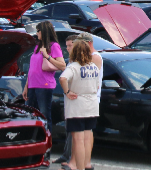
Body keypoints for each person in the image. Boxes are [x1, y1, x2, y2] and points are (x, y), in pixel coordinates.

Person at [55, 33, 103, 165]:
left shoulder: (74, 66)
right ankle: (87, 163)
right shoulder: (93, 66)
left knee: (78, 140)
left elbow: (63, 78)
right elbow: (97, 84)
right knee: (88, 136)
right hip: (92, 104)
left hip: (78, 105)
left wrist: (67, 92)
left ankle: (79, 167)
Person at [23, 22, 66, 136]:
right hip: (32, 84)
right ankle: (32, 138)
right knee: (29, 113)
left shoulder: (53, 46)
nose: (37, 34)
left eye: (38, 31)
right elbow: (32, 68)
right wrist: (26, 86)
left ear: (44, 31)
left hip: (44, 84)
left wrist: (48, 56)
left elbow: (62, 65)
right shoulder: (38, 46)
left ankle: (47, 139)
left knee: (44, 113)